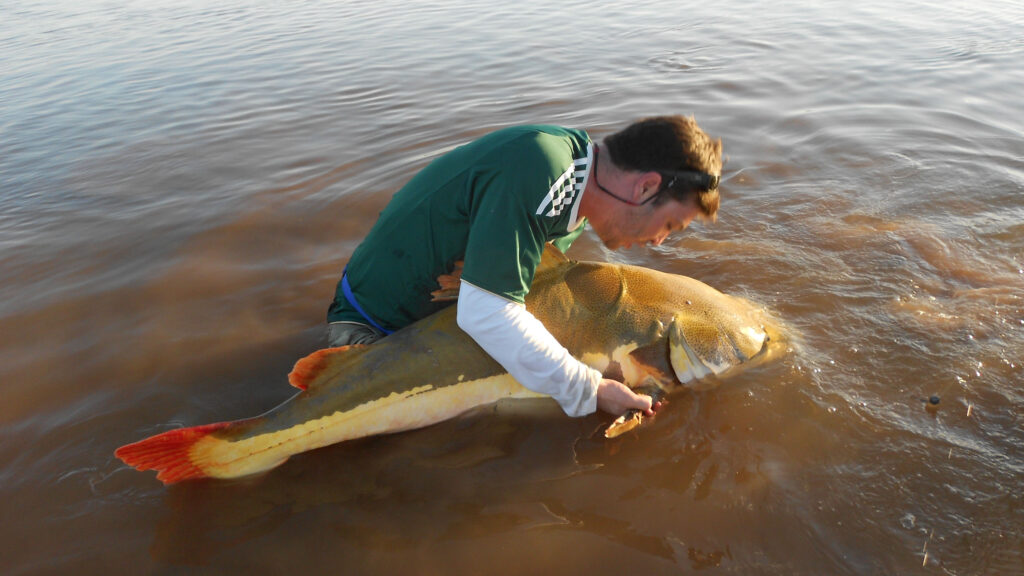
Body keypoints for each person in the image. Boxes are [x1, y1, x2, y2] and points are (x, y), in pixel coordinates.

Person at [326, 116, 722, 418]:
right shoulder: (541, 169)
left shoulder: (579, 185)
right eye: (670, 224)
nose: (659, 240)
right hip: (371, 333)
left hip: (435, 328)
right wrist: (591, 390)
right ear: (646, 187)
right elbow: (487, 313)